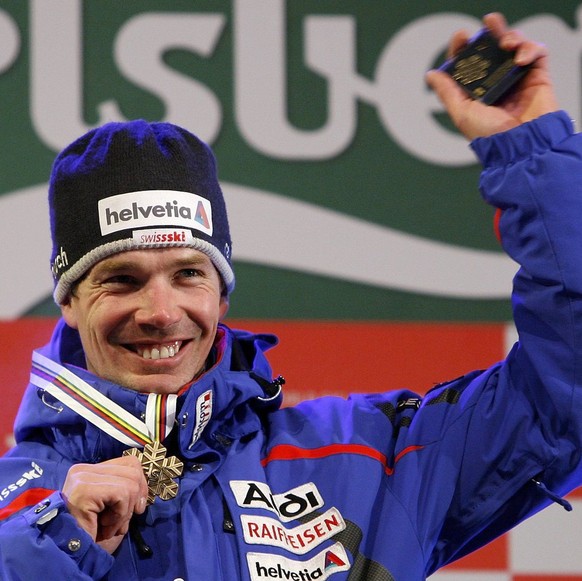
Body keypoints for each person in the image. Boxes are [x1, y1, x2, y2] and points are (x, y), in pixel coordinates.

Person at [0, 12, 579, 580]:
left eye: (189, 275)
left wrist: (532, 154)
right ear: (69, 300)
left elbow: (566, 395)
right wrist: (53, 551)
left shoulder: (368, 459)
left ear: (222, 295)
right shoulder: (18, 514)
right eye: (122, 280)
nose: (162, 312)